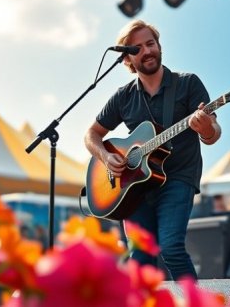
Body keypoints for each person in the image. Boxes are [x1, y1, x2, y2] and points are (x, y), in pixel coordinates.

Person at [84, 20, 221, 281]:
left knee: (171, 249)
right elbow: (91, 134)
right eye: (137, 48)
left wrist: (205, 129)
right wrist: (105, 155)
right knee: (139, 258)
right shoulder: (123, 97)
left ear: (159, 46)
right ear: (127, 59)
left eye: (150, 43)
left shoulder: (187, 83)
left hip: (178, 177)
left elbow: (214, 133)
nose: (147, 51)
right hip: (133, 187)